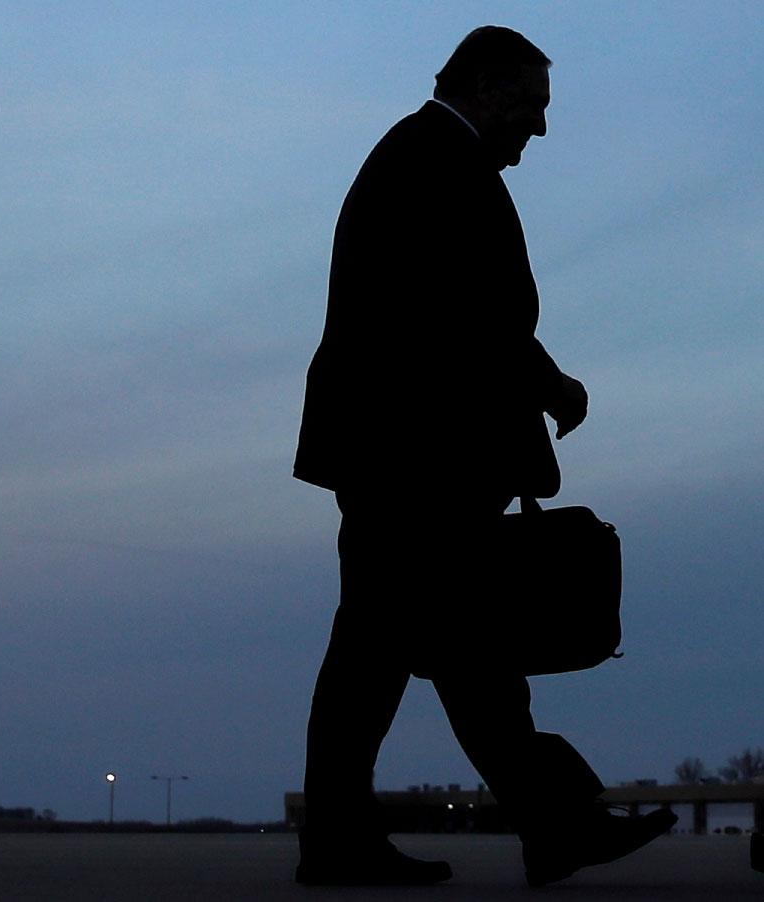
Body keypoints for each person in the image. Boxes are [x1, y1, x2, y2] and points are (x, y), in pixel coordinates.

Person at [293, 26, 676, 887]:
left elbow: (469, 311)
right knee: (411, 657)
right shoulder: (432, 162)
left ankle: (546, 825)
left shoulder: (424, 158)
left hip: (405, 458)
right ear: (489, 91)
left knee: (450, 656)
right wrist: (550, 387)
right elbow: (469, 312)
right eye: (532, 107)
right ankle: (526, 825)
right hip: (413, 462)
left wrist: (542, 385)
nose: (538, 130)